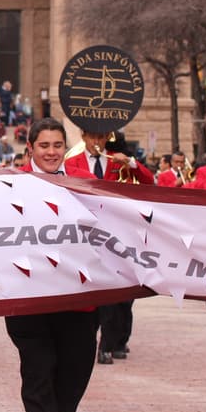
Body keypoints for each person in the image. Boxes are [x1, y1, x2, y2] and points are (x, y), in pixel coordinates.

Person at [5, 118, 99, 412]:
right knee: (38, 369)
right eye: (43, 146)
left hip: (78, 297)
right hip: (28, 296)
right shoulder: (8, 185)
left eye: (57, 145)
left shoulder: (84, 183)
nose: (50, 152)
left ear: (65, 148)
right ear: (30, 148)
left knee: (73, 373)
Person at [64, 129, 153, 362]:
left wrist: (132, 163)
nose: (96, 142)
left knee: (112, 293)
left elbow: (148, 181)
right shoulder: (71, 162)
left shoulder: (116, 161)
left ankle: (107, 344)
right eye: (93, 137)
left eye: (101, 138)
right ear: (84, 137)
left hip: (114, 235)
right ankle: (88, 340)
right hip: (84, 234)